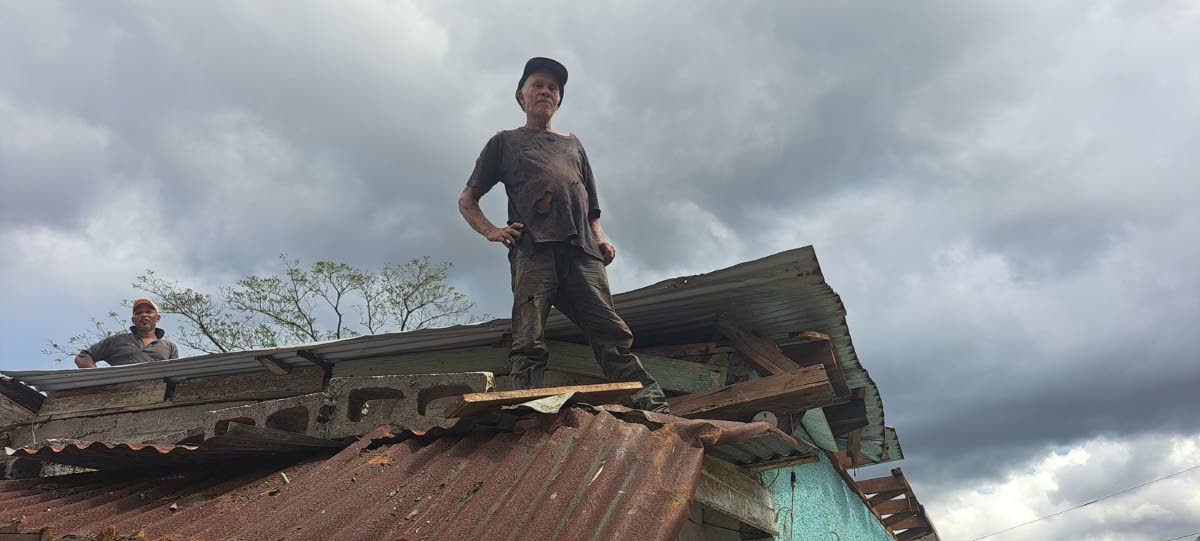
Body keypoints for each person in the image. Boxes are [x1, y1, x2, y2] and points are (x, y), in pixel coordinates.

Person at [458, 57, 669, 412]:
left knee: (610, 332)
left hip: (583, 252)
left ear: (559, 100)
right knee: (529, 335)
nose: (545, 91)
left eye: (553, 88)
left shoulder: (573, 144)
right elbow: (468, 199)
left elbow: (591, 206)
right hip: (535, 250)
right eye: (537, 85)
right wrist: (492, 231)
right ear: (521, 96)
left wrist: (600, 237)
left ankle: (650, 404)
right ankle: (524, 406)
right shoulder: (505, 142)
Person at [75, 298, 180, 368]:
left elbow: (176, 375)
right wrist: (97, 377)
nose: (143, 315)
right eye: (138, 313)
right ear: (133, 320)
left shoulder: (170, 347)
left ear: (157, 318)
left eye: (148, 312)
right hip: (119, 396)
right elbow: (83, 356)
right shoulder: (117, 341)